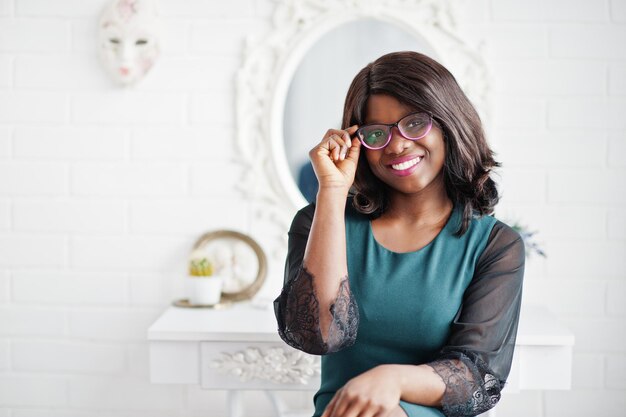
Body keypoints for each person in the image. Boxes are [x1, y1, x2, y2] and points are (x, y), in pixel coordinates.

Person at [273, 51, 525, 417]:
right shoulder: (318, 223)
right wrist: (331, 190)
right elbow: (318, 334)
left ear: (449, 123)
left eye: (415, 124)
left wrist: (392, 380)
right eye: (377, 133)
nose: (397, 144)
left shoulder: (496, 246)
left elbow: (476, 377)